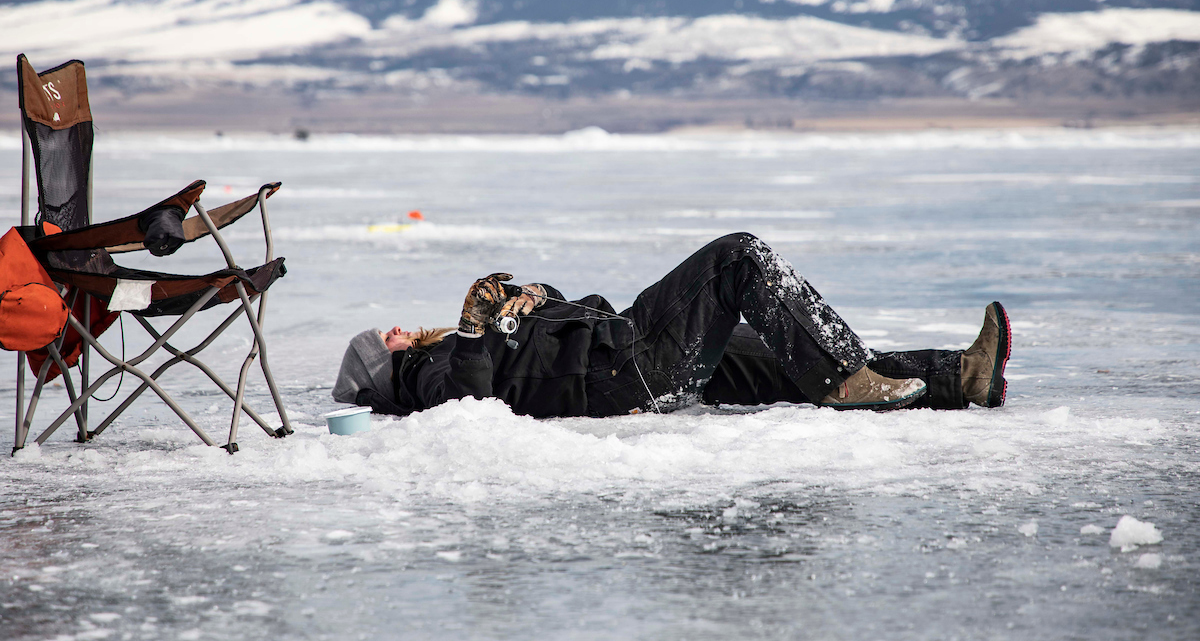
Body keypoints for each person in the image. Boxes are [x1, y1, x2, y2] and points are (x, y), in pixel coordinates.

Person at [332, 233, 1010, 419]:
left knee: (798, 350)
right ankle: (846, 379)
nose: (393, 330)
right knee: (737, 257)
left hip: (622, 339)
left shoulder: (445, 349)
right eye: (381, 341)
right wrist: (477, 327)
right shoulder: (423, 380)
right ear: (382, 369)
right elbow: (471, 403)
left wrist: (533, 298)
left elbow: (543, 338)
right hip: (627, 370)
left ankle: (958, 377)